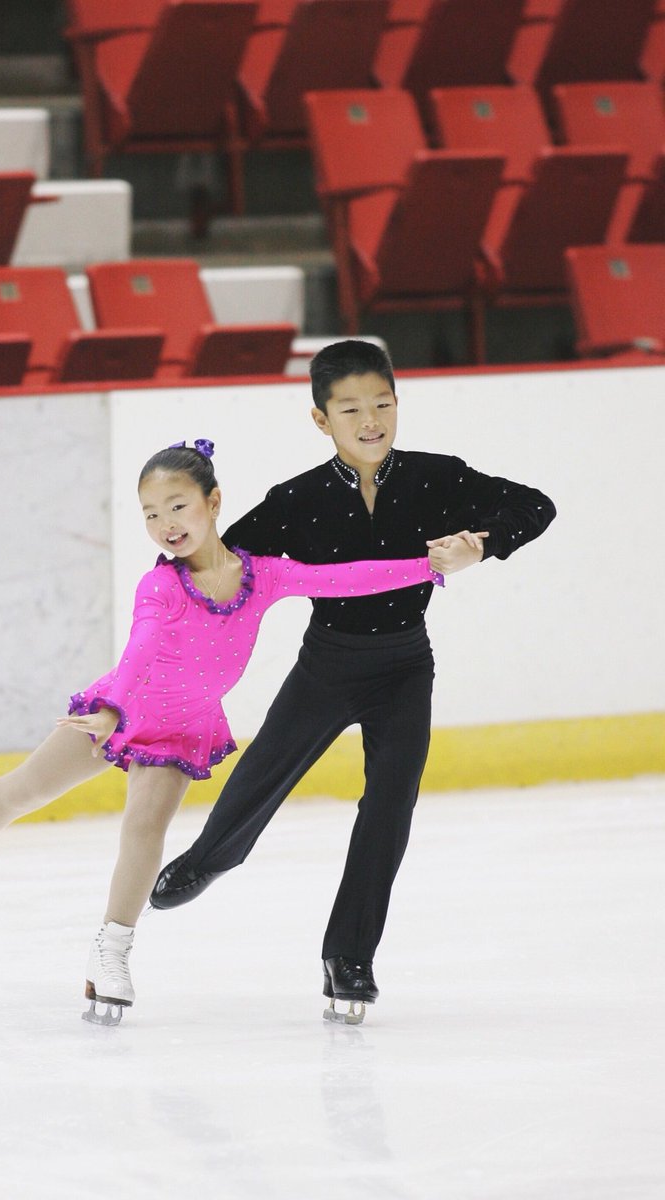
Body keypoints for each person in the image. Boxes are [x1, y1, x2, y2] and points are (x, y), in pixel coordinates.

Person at [0, 438, 443, 1025]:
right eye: (150, 513)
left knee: (145, 829)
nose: (165, 524)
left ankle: (110, 953)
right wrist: (114, 709)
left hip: (182, 727)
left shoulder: (262, 576)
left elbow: (345, 579)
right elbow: (139, 649)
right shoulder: (161, 587)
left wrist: (429, 567)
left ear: (213, 502)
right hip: (124, 706)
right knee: (26, 791)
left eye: (177, 506)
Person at [150, 340, 557, 1025]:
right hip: (327, 666)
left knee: (389, 810)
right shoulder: (298, 501)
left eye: (382, 404)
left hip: (404, 667)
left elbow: (535, 505)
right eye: (351, 409)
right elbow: (225, 563)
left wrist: (480, 544)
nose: (371, 421)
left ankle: (350, 955)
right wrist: (175, 554)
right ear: (321, 420)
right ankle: (213, 856)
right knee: (260, 777)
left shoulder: (436, 479)